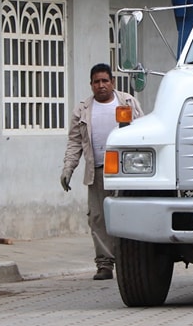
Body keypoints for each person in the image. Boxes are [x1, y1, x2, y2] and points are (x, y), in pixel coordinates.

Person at [61, 64, 143, 280]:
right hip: (97, 172)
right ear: (91, 85)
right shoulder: (82, 110)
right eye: (96, 82)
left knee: (126, 215)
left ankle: (129, 259)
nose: (101, 85)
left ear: (112, 82)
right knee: (98, 218)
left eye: (105, 81)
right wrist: (68, 169)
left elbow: (143, 132)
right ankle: (105, 264)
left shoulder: (127, 103)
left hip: (126, 173)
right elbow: (74, 143)